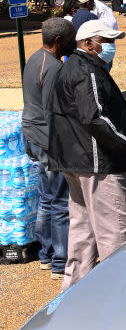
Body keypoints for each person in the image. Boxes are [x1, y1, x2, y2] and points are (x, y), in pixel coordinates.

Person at [47, 19, 126, 289]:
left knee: (83, 232)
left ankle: (73, 294)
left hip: (77, 161)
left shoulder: (74, 67)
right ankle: (121, 294)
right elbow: (95, 118)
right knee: (116, 234)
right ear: (88, 43)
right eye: (107, 41)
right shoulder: (86, 71)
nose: (112, 46)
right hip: (98, 164)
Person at [22, 18, 75, 281]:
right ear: (58, 41)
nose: (73, 43)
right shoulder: (54, 67)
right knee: (61, 203)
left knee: (46, 197)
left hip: (31, 135)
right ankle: (60, 262)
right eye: (71, 38)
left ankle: (45, 255)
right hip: (46, 140)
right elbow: (51, 112)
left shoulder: (34, 57)